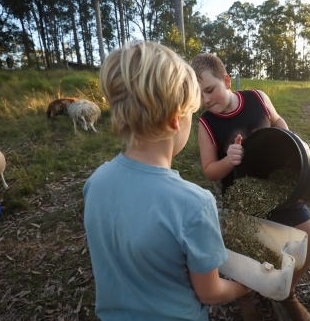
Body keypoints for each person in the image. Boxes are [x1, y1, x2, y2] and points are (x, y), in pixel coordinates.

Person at [83, 42, 251, 321]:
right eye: (191, 114)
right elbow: (209, 293)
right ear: (176, 120)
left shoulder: (95, 183)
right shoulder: (194, 204)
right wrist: (247, 286)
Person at [191, 53, 310, 321]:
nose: (205, 100)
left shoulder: (258, 99)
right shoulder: (207, 123)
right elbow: (209, 171)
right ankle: (245, 295)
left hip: (277, 187)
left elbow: (278, 122)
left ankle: (287, 292)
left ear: (226, 81)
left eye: (209, 90)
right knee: (243, 253)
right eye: (198, 95)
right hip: (241, 198)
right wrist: (228, 160)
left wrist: (285, 138)